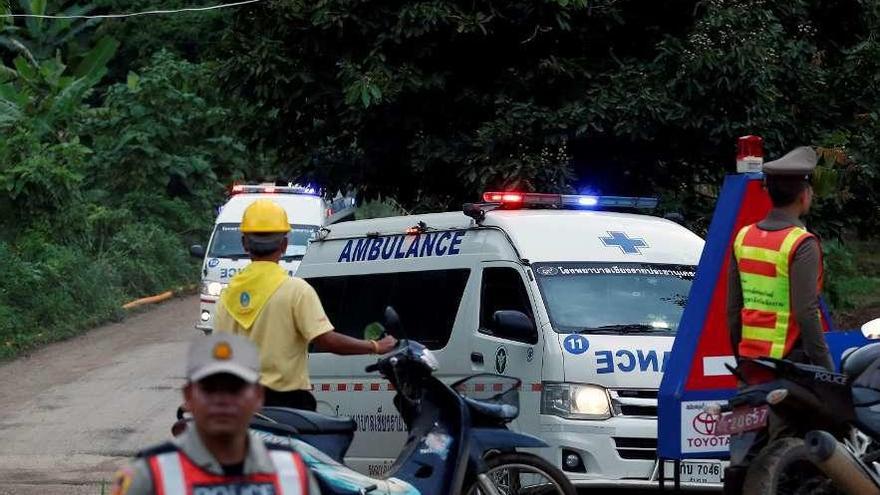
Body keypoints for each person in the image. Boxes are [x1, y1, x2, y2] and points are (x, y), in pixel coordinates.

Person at [214, 199, 397, 411]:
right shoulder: (296, 290)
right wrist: (375, 346)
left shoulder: (228, 295)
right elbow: (326, 341)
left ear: (245, 243)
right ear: (284, 244)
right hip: (287, 407)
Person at [110, 333, 320, 494]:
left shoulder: (293, 471)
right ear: (188, 397)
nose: (222, 399)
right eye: (210, 388)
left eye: (235, 388)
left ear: (258, 396)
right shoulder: (148, 475)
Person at [727, 145, 833, 372]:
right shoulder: (802, 243)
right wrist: (828, 369)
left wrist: (742, 363)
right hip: (790, 363)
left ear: (769, 193)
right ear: (804, 196)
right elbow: (806, 312)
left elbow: (733, 311)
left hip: (751, 361)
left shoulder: (744, 237)